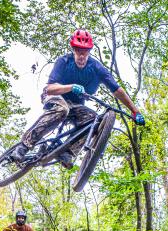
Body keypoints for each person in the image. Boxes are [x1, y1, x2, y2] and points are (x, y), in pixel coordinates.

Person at [12, 28, 146, 168]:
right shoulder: (63, 61)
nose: (82, 56)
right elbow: (49, 89)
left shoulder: (96, 67)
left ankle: (68, 153)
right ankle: (23, 146)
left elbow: (117, 90)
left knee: (94, 121)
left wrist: (135, 111)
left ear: (89, 52)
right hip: (56, 97)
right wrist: (70, 87)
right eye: (78, 52)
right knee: (62, 109)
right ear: (73, 50)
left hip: (76, 105)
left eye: (85, 52)